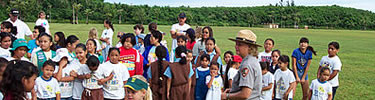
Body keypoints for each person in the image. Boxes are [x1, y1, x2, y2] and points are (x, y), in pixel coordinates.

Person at [221, 30, 262, 100]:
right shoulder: (251, 60)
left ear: (249, 47)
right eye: (236, 44)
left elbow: (245, 94)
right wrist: (233, 90)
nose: (236, 47)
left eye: (240, 45)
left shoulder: (247, 64)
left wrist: (227, 96)